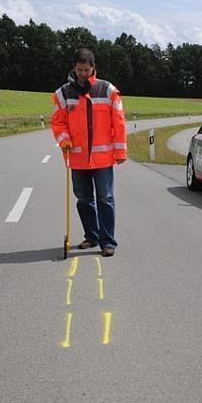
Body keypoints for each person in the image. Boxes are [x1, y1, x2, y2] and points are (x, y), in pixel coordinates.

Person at [51, 48, 127, 257]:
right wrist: (64, 139)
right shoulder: (63, 93)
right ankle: (91, 236)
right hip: (76, 158)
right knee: (83, 199)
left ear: (94, 68)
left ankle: (108, 241)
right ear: (74, 68)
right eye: (80, 69)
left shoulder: (107, 90)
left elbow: (119, 122)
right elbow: (58, 122)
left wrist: (120, 151)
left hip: (103, 158)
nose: (83, 73)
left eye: (87, 69)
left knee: (105, 198)